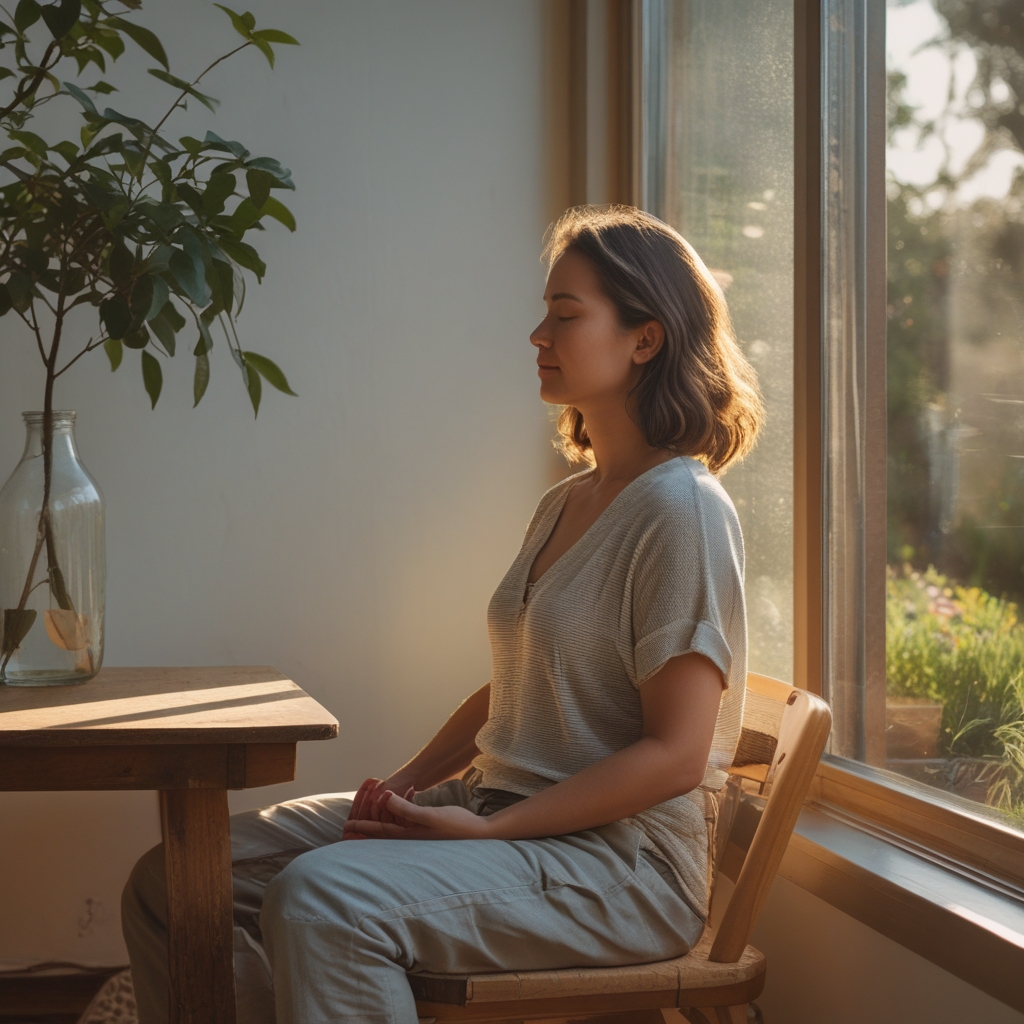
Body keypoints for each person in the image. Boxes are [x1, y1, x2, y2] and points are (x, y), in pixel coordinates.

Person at [122, 204, 764, 1024]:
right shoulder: (570, 501)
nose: (538, 335)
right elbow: (516, 689)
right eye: (544, 314)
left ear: (646, 338)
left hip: (619, 868)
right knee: (174, 883)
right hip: (500, 811)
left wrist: (497, 833)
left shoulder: (681, 510)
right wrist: (405, 785)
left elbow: (675, 756)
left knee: (323, 902)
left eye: (565, 316)